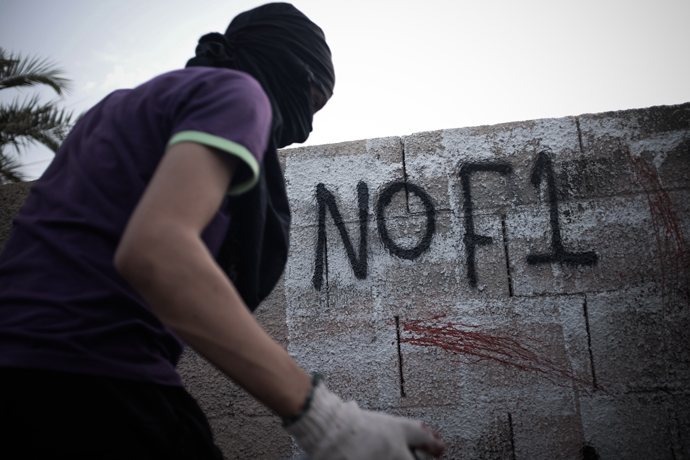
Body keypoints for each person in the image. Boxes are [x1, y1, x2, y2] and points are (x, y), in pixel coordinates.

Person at [0, 3, 446, 459]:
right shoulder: (239, 93)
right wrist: (329, 422)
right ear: (283, 65)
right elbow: (157, 252)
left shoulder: (117, 108)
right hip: (93, 377)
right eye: (311, 98)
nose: (306, 129)